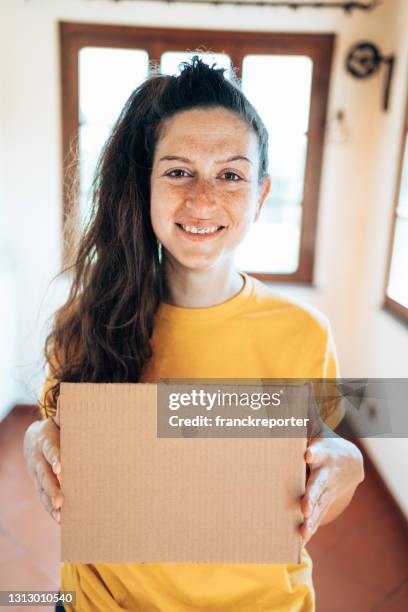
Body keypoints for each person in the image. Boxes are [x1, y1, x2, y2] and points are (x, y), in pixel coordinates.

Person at [23, 56, 364, 611]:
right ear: (146, 185)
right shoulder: (90, 318)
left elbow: (315, 488)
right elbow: (59, 436)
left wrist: (347, 463)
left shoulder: (303, 332)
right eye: (179, 171)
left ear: (260, 193)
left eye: (230, 174)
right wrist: (35, 436)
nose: (202, 199)